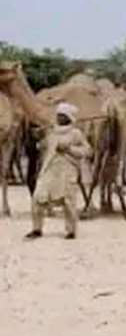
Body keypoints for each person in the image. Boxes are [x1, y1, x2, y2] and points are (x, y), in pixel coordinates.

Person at [27, 102, 92, 240]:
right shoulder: (50, 131)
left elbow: (87, 151)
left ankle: (70, 231)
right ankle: (37, 228)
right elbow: (41, 146)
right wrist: (38, 136)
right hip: (49, 169)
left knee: (68, 201)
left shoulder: (76, 133)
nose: (59, 118)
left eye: (62, 116)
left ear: (69, 118)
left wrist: (69, 149)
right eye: (58, 115)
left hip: (67, 170)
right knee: (38, 197)